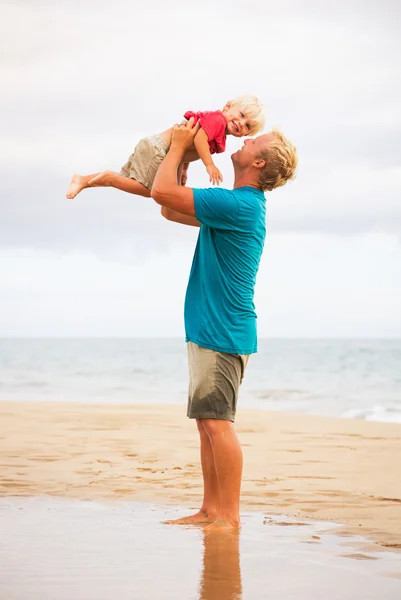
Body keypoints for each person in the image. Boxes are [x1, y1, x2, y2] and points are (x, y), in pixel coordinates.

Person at [151, 118, 298, 531]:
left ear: (259, 162)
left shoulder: (239, 205)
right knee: (206, 425)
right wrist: (181, 161)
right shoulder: (230, 205)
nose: (245, 138)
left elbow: (161, 192)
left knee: (218, 423)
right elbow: (167, 206)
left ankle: (228, 516)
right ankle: (208, 510)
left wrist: (180, 144)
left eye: (255, 140)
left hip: (223, 332)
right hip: (210, 328)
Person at [65, 95, 265, 199]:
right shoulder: (218, 121)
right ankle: (107, 178)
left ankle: (83, 180)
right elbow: (199, 138)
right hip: (159, 150)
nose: (241, 123)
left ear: (247, 134)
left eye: (247, 125)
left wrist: (184, 167)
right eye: (240, 115)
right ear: (228, 106)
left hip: (158, 148)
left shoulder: (219, 128)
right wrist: (209, 165)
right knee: (147, 190)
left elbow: (191, 139)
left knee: (128, 180)